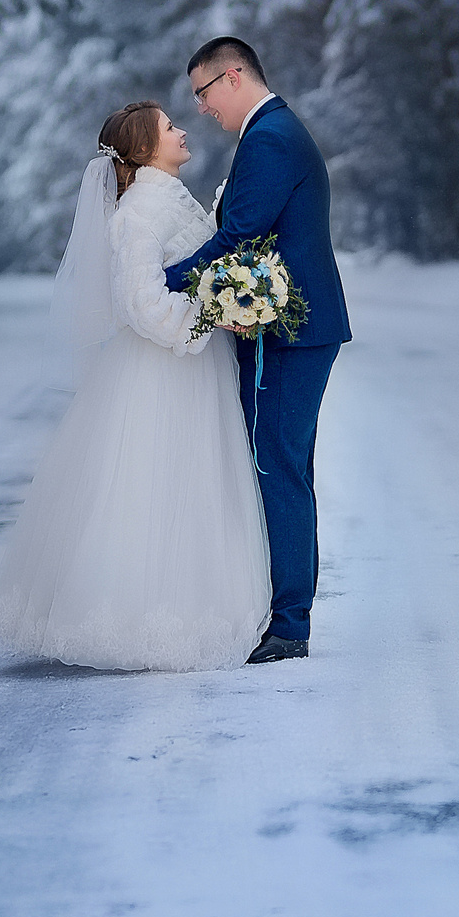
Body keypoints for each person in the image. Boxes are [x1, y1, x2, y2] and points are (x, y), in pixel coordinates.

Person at [0, 102, 272, 671]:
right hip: (161, 371)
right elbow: (140, 303)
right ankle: (132, 617)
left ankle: (204, 604)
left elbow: (199, 257)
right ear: (143, 149)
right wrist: (205, 319)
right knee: (152, 484)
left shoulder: (169, 197)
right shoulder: (139, 213)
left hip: (194, 368)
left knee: (194, 482)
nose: (182, 130)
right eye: (170, 127)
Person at [165, 37, 351, 663]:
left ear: (234, 76)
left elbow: (240, 235)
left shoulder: (270, 136)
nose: (202, 109)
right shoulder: (271, 131)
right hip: (287, 328)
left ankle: (289, 625)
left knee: (278, 467)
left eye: (204, 92)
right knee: (282, 464)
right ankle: (280, 611)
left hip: (289, 334)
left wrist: (160, 281)